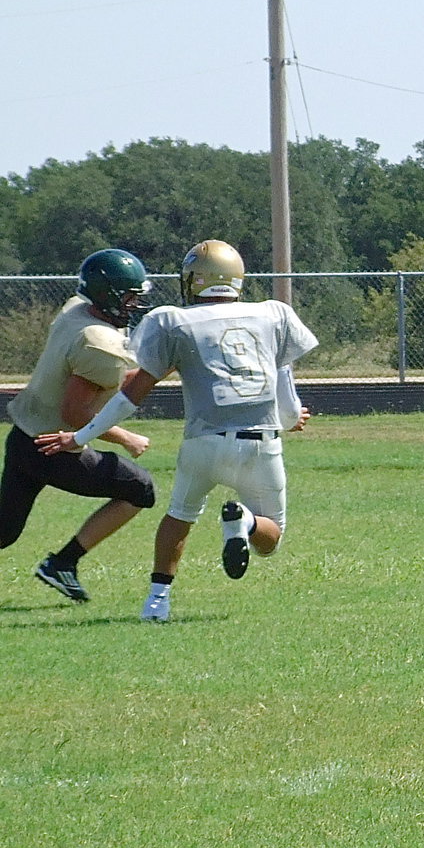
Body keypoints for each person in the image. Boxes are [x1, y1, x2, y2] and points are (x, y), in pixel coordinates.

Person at [36, 239, 317, 622]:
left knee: (180, 515)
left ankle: (157, 603)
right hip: (261, 444)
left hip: (204, 443)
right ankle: (246, 523)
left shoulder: (173, 320)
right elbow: (287, 408)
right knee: (271, 537)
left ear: (193, 280)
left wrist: (79, 437)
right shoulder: (272, 315)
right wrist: (291, 419)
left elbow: (129, 397)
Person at [1, 249, 155, 602]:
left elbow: (109, 382)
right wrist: (125, 437)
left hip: (26, 437)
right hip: (55, 447)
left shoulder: (75, 310)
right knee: (140, 488)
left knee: (3, 532)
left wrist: (158, 369)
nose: (134, 303)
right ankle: (63, 563)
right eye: (129, 296)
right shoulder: (100, 343)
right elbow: (75, 412)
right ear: (109, 295)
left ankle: (62, 565)